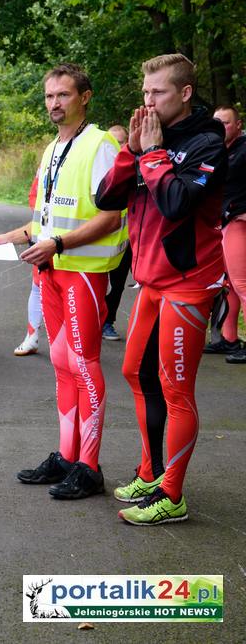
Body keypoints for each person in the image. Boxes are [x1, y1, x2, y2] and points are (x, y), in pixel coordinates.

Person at [96, 53, 228, 525]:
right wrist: (132, 152)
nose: (147, 102)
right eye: (145, 92)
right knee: (135, 373)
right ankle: (153, 472)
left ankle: (172, 495)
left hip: (188, 284)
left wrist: (151, 155)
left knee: (176, 389)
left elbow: (175, 203)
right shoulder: (151, 139)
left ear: (185, 93)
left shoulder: (207, 143)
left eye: (158, 93)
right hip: (151, 280)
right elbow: (106, 199)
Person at [0, 63, 124, 500]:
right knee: (62, 364)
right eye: (49, 96)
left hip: (83, 272)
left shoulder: (102, 145)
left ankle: (90, 466)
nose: (54, 103)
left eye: (63, 95)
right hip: (51, 271)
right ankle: (68, 455)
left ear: (84, 97)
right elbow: (44, 218)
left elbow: (111, 216)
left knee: (84, 366)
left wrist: (59, 244)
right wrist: (14, 235)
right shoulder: (51, 149)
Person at [209, 106, 246, 363]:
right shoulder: (220, 150)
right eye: (216, 123)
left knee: (243, 285)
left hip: (238, 223)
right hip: (223, 223)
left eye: (226, 123)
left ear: (238, 125)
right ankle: (229, 339)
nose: (221, 127)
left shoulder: (244, 149)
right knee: (229, 285)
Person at [101, 124, 133, 342]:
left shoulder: (135, 167)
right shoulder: (99, 167)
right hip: (99, 237)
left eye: (121, 141)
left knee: (118, 283)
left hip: (126, 239)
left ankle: (108, 321)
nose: (116, 145)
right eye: (112, 140)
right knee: (97, 283)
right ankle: (93, 319)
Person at [13, 176, 44, 356]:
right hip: (44, 231)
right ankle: (31, 336)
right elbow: (35, 193)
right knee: (37, 285)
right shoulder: (50, 154)